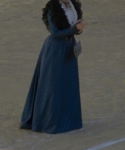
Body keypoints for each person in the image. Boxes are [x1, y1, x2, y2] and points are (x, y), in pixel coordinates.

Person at [20, 0, 85, 134]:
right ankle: (48, 122)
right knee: (53, 86)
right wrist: (75, 29)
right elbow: (56, 33)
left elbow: (73, 28)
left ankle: (69, 121)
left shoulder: (73, 5)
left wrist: (79, 29)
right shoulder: (52, 9)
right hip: (55, 50)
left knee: (69, 84)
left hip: (69, 48)